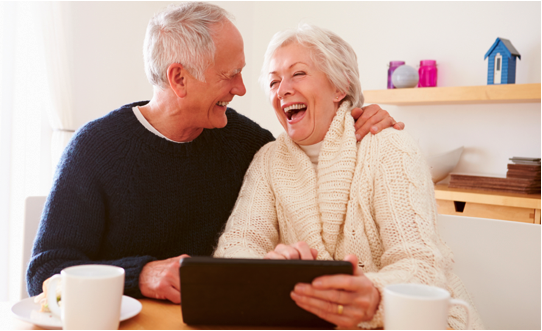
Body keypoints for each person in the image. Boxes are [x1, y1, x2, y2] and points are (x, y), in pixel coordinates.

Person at [27, 2, 402, 304]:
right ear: (179, 79)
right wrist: (141, 275)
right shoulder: (95, 149)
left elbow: (305, 159)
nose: (241, 89)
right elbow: (46, 272)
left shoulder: (244, 142)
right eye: (229, 75)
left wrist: (353, 117)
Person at [213, 23, 483, 330]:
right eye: (274, 82)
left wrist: (376, 296)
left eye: (298, 73)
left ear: (340, 87)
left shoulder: (388, 146)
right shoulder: (268, 160)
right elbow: (236, 246)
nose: (282, 89)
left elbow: (422, 265)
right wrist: (268, 269)